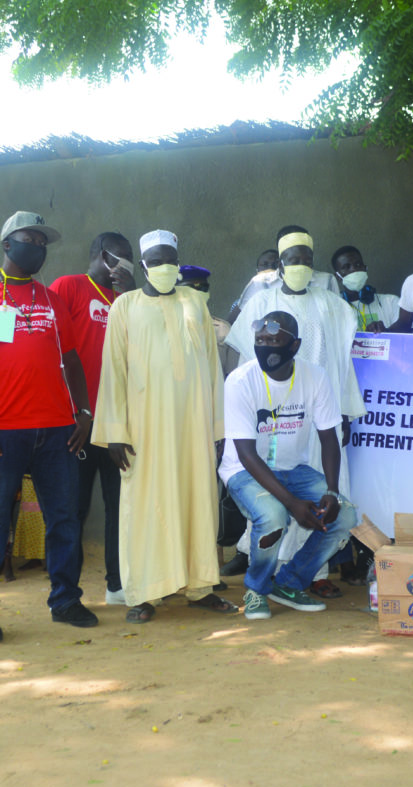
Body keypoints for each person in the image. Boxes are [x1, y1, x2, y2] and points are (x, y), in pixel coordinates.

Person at [92, 229, 236, 623]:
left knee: (196, 502)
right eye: (155, 261)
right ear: (142, 266)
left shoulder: (195, 303)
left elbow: (212, 370)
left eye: (169, 259)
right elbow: (114, 371)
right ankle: (144, 592)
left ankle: (200, 586)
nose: (164, 267)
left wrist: (219, 429)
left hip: (194, 428)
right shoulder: (125, 306)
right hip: (144, 430)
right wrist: (115, 433)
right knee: (144, 508)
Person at [224, 228, 365, 597]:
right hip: (273, 425)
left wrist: (345, 411)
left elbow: (344, 361)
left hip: (318, 415)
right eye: (292, 259)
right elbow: (247, 360)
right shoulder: (260, 302)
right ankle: (266, 578)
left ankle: (312, 574)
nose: (299, 265)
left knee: (329, 498)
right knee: (274, 507)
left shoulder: (333, 304)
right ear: (281, 263)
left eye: (306, 259)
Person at [220, 311, 357, 620]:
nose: (266, 346)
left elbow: (329, 438)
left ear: (294, 346)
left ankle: (289, 582)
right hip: (244, 470)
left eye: (275, 340)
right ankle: (256, 589)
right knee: (273, 515)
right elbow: (245, 453)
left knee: (345, 514)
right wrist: (292, 502)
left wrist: (333, 491)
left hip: (292, 469)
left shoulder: (315, 376)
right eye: (261, 341)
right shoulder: (240, 381)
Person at [0, 210, 98, 636]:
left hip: (58, 428)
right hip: (7, 428)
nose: (37, 248)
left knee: (63, 518)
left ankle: (65, 600)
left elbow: (72, 359)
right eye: (28, 240)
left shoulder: (52, 299)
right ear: (7, 245)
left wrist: (84, 412)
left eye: (42, 243)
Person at [50, 232, 136, 605]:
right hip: (78, 424)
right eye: (125, 259)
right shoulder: (68, 287)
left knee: (120, 506)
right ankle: (69, 594)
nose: (129, 267)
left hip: (118, 423)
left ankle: (116, 585)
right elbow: (53, 348)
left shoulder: (130, 300)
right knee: (75, 508)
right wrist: (72, 410)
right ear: (104, 257)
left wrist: (133, 293)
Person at [228, 227, 340, 324]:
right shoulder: (260, 283)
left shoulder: (327, 281)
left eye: (307, 262)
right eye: (294, 261)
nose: (301, 267)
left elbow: (338, 321)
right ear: (280, 263)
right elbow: (235, 321)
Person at [178, 264, 238, 376]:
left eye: (203, 288)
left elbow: (231, 374)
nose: (198, 292)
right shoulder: (165, 325)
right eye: (190, 288)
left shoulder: (223, 329)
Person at [332, 245, 399, 332]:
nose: (354, 269)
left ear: (365, 268)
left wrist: (386, 332)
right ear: (338, 277)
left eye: (358, 264)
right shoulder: (333, 309)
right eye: (346, 267)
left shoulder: (391, 302)